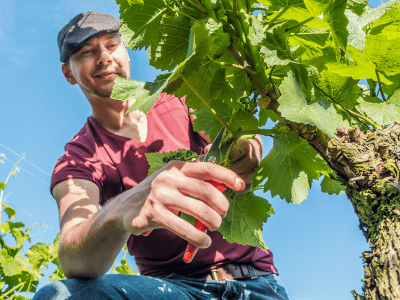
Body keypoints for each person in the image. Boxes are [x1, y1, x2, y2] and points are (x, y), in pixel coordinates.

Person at [33, 11, 289, 300]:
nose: (104, 57)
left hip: (255, 282)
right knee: (61, 296)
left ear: (127, 53)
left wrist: (247, 147)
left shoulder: (184, 95)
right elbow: (74, 258)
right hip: (171, 290)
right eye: (87, 52)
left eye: (112, 44)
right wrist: (120, 210)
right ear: (68, 73)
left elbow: (239, 138)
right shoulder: (78, 158)